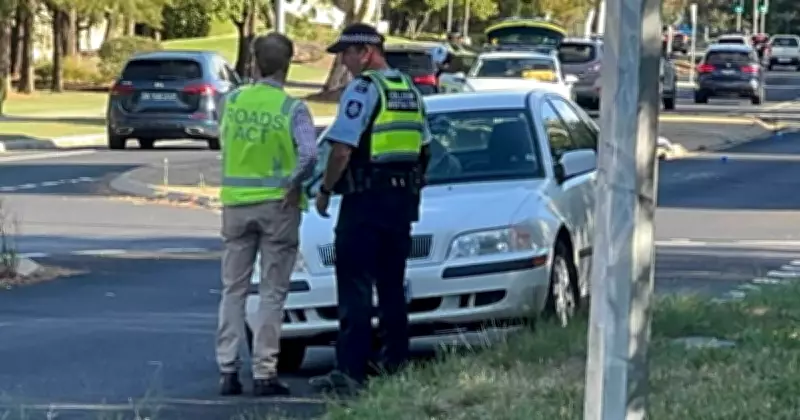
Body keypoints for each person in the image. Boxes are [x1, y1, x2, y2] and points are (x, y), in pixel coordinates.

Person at [308, 23, 432, 395]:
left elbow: (342, 149)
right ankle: (395, 365)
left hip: (365, 201)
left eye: (347, 54)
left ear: (366, 52)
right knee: (392, 286)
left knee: (355, 287)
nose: (343, 62)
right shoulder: (408, 89)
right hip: (401, 203)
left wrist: (326, 189)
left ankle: (351, 371)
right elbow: (425, 148)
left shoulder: (363, 89)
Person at [215, 32, 318, 397]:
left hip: (236, 204)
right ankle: (264, 372)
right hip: (278, 206)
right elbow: (309, 154)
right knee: (272, 292)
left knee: (234, 289)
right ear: (287, 66)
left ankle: (227, 368)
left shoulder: (231, 101)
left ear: (255, 63)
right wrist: (294, 183)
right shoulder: (292, 109)